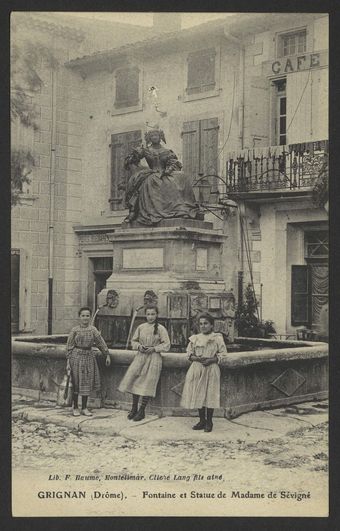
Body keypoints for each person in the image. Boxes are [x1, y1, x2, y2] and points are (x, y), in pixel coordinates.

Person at [122, 127, 201, 225]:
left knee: (182, 176)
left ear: (160, 137)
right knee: (152, 181)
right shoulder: (146, 150)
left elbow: (173, 163)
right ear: (149, 138)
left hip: (165, 173)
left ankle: (183, 208)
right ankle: (134, 210)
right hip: (151, 174)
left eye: (156, 135)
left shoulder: (167, 151)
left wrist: (169, 170)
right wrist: (134, 156)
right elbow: (131, 161)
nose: (154, 137)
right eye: (152, 136)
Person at [118, 305, 171, 421]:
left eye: (153, 314)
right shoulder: (141, 327)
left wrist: (154, 348)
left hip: (153, 358)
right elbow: (134, 341)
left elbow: (167, 345)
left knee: (148, 383)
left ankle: (142, 410)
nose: (150, 317)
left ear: (157, 315)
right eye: (148, 314)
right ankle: (134, 408)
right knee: (135, 381)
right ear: (145, 315)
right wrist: (139, 346)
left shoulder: (161, 329)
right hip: (141, 357)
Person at [180, 313, 227, 432]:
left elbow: (223, 354)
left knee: (210, 393)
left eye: (206, 323)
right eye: (201, 324)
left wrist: (212, 359)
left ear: (211, 325)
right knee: (198, 392)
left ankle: (209, 421)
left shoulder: (216, 338)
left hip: (211, 368)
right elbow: (189, 354)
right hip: (197, 368)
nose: (203, 326)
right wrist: (196, 358)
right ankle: (202, 420)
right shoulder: (195, 338)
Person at [66, 307, 111, 417]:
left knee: (86, 382)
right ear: (79, 317)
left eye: (87, 316)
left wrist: (107, 355)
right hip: (76, 358)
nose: (85, 318)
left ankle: (85, 407)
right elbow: (69, 347)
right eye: (83, 316)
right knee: (76, 383)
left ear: (90, 317)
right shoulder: (74, 330)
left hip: (89, 358)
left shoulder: (93, 330)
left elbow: (101, 343)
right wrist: (68, 361)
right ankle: (75, 406)